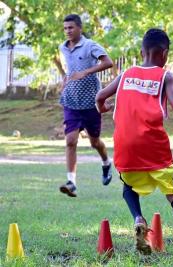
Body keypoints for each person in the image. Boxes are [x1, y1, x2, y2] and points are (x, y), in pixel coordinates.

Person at [95, 28, 173, 259]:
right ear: (164, 54)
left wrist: (104, 109)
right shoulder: (165, 75)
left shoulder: (125, 74)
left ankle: (138, 218)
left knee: (129, 184)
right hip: (152, 144)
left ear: (141, 52)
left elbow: (99, 98)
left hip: (125, 144)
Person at [58, 14, 113, 197]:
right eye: (65, 28)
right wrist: (65, 81)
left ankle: (106, 162)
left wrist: (86, 72)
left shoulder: (90, 45)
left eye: (71, 28)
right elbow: (70, 70)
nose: (68, 31)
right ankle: (71, 182)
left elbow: (108, 62)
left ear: (80, 28)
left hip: (91, 102)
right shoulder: (63, 48)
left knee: (94, 142)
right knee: (70, 141)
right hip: (71, 101)